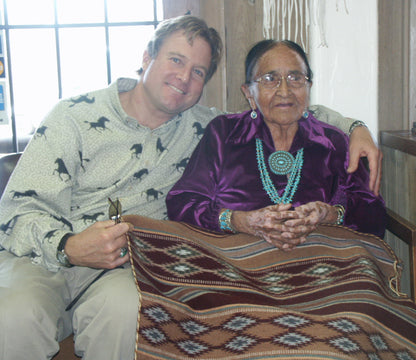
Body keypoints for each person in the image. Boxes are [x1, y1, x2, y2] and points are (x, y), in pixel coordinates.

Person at [0, 16, 381, 360]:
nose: (184, 78)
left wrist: (355, 127)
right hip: (40, 256)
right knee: (15, 315)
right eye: (176, 60)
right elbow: (15, 210)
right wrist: (68, 246)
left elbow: (284, 105)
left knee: (128, 314)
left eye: (198, 71)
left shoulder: (204, 127)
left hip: (122, 267)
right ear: (147, 57)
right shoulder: (73, 116)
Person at [166, 39, 385, 251]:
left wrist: (332, 215)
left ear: (308, 87)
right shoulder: (223, 134)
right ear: (249, 93)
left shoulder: (333, 142)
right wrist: (238, 221)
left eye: (295, 77)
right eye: (270, 78)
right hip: (235, 264)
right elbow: (183, 203)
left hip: (317, 266)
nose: (284, 90)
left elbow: (373, 216)